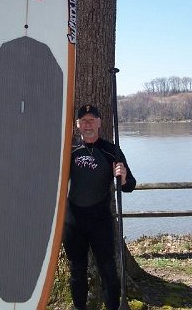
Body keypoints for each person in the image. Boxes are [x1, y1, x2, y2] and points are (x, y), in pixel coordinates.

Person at [63, 104, 136, 310]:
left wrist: (122, 178)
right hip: (73, 220)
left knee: (108, 271)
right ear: (77, 125)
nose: (87, 124)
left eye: (91, 120)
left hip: (100, 220)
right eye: (83, 120)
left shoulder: (111, 150)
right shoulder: (69, 150)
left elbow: (130, 185)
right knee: (77, 272)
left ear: (99, 123)